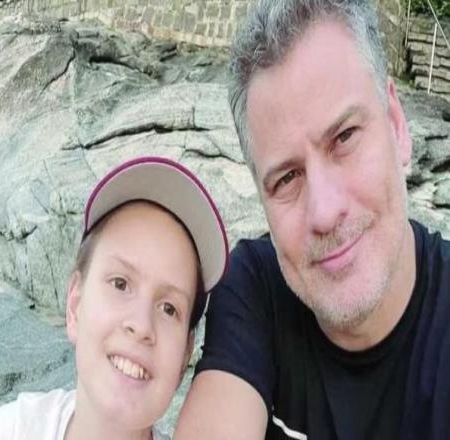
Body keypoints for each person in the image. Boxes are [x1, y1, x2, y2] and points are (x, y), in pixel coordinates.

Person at [175, 1, 450, 439]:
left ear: (397, 125)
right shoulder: (253, 288)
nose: (324, 212)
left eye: (344, 137)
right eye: (286, 178)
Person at [0, 156, 228, 440]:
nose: (141, 325)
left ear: (185, 355)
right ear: (75, 305)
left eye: (168, 308)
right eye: (120, 284)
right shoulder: (11, 431)